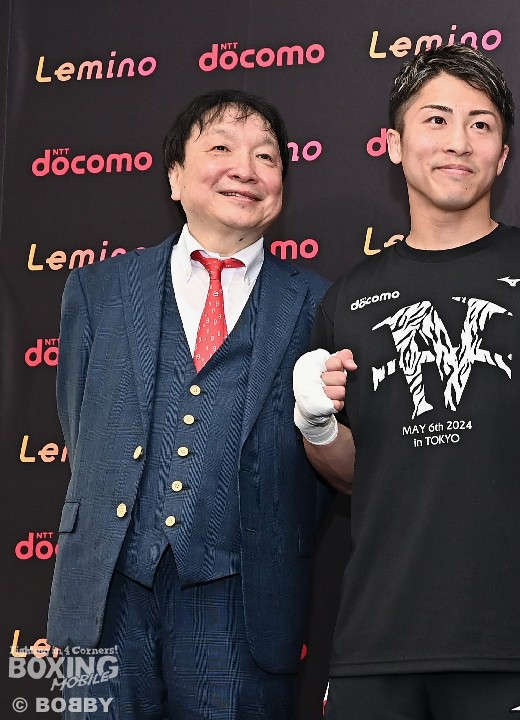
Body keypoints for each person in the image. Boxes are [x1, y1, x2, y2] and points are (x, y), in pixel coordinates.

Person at [292, 45, 520, 720]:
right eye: (436, 120)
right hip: (375, 643)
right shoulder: (347, 301)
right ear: (394, 145)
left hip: (513, 643)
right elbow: (351, 476)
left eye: (481, 125)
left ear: (503, 155)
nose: (459, 142)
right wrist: (317, 426)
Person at [47, 89, 331, 719]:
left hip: (244, 604)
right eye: (221, 148)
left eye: (266, 157)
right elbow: (79, 426)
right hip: (105, 593)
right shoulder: (98, 290)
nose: (245, 169)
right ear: (174, 176)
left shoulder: (320, 305)